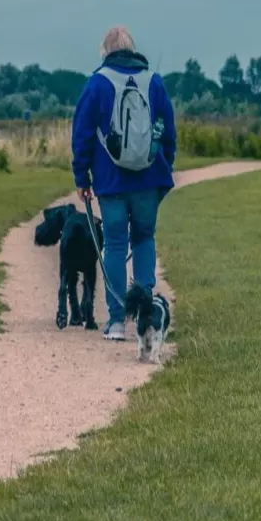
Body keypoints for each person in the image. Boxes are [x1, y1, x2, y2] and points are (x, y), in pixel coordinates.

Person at [71, 25, 176, 341]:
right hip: (148, 179)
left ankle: (116, 322)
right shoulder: (153, 82)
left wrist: (82, 176)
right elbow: (168, 130)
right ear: (132, 49)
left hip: (110, 182)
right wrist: (163, 167)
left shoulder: (96, 84)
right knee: (144, 238)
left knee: (115, 244)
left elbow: (82, 135)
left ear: (105, 51)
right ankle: (146, 315)